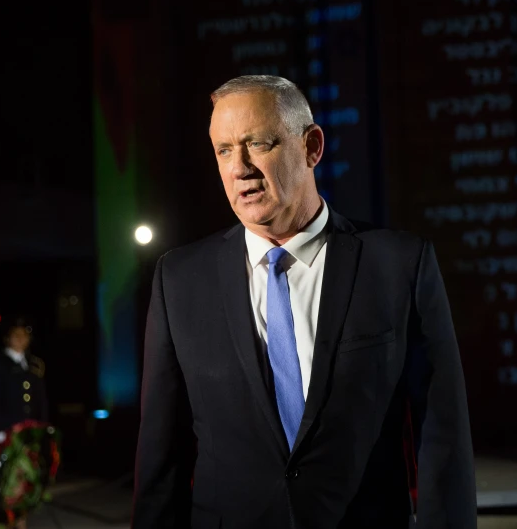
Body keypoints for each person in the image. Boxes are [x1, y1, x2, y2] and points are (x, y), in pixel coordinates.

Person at [133, 75, 476, 528]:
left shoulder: (399, 265)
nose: (239, 167)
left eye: (258, 143)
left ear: (312, 146)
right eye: (223, 150)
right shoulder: (178, 280)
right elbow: (162, 457)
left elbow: (443, 434)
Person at [0, 318, 49, 443]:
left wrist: (43, 425)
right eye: (16, 335)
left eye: (24, 335)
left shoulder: (34, 364)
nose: (21, 338)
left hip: (32, 430)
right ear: (8, 338)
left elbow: (41, 398)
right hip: (8, 429)